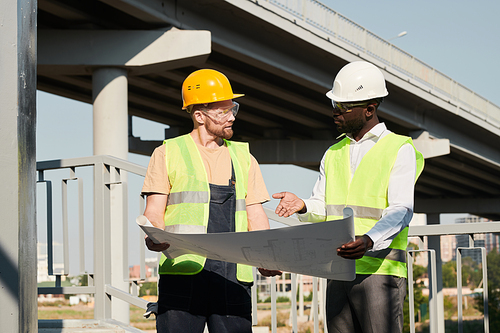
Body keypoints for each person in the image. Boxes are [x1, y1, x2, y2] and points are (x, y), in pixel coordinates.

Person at [273, 61, 424, 333]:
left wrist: (369, 240)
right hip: (338, 271)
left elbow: (401, 209)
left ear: (369, 109)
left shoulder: (398, 148)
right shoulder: (332, 153)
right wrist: (304, 205)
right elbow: (324, 206)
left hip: (379, 272)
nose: (335, 113)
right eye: (334, 105)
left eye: (343, 107)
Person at [141, 69, 281, 333]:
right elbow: (154, 212)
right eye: (223, 112)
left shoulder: (244, 158)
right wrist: (154, 235)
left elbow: (256, 216)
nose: (231, 118)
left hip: (233, 278)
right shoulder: (168, 153)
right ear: (199, 116)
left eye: (233, 109)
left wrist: (267, 255)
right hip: (183, 272)